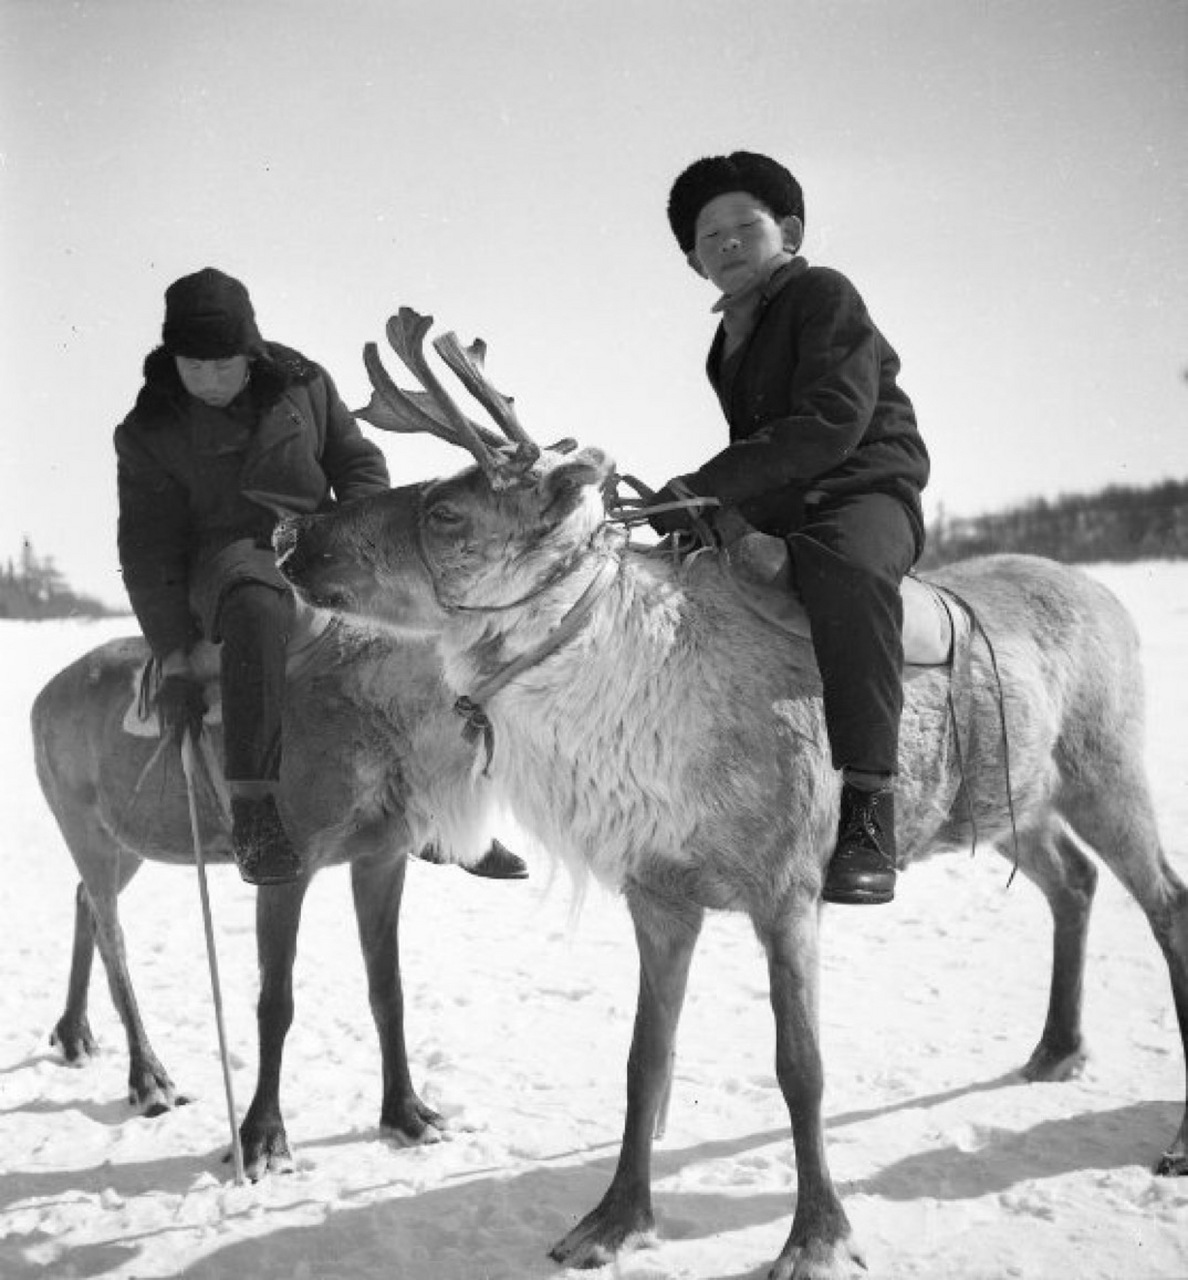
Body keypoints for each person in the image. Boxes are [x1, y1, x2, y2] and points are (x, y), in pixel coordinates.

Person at [116, 267, 529, 885]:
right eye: (191, 364)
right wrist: (173, 653)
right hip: (223, 567)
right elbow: (146, 550)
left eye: (222, 363)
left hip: (318, 547)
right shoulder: (148, 429)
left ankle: (440, 818)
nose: (206, 378)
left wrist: (367, 539)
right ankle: (255, 812)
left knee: (425, 634)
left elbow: (357, 462)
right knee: (257, 606)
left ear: (249, 352)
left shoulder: (303, 385)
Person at [653, 152, 930, 906]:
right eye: (710, 238)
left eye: (746, 226)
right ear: (693, 261)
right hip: (785, 501)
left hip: (861, 490)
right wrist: (697, 509)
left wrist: (706, 485)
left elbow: (830, 424)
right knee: (670, 569)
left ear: (792, 231)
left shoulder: (823, 294)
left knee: (850, 573)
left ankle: (871, 809)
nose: (729, 244)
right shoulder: (727, 342)